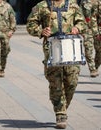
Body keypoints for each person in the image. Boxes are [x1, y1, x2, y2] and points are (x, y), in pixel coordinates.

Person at [26, 0, 87, 129]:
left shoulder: (73, 5)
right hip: (52, 49)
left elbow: (83, 23)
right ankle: (60, 113)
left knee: (71, 82)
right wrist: (41, 31)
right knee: (55, 83)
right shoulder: (41, 6)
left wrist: (77, 28)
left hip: (71, 49)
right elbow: (30, 24)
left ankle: (63, 106)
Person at [80, 0, 100, 77]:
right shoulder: (84, 2)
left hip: (98, 29)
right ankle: (92, 69)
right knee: (88, 49)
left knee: (99, 51)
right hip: (87, 29)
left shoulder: (99, 2)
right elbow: (80, 15)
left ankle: (96, 66)